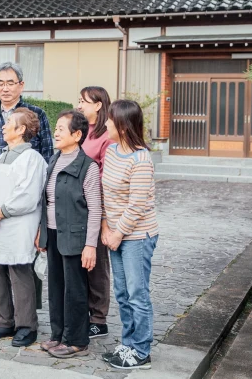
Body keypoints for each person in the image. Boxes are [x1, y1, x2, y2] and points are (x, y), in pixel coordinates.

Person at [0, 61, 54, 320]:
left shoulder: (35, 114)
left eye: (11, 82)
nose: (5, 88)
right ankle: (1, 311)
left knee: (21, 263)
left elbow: (46, 158)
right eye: (0, 82)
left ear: (21, 85)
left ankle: (25, 316)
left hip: (25, 197)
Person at [0, 108, 47, 347]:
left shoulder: (32, 159)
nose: (3, 127)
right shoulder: (1, 156)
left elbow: (28, 196)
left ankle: (26, 325)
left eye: (9, 123)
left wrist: (1, 212)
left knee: (19, 273)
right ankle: (3, 320)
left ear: (21, 130)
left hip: (16, 225)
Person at [36, 109, 102, 358]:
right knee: (55, 287)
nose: (56, 132)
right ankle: (58, 335)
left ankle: (76, 340)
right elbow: (48, 201)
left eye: (61, 129)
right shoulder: (54, 160)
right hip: (53, 234)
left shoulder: (88, 166)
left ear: (76, 135)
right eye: (56, 128)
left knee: (75, 290)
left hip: (75, 237)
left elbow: (95, 208)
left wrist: (90, 245)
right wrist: (42, 231)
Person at [100, 100, 159, 371]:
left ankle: (142, 350)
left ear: (123, 126)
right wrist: (105, 227)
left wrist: (117, 234)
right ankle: (128, 343)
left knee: (137, 293)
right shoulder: (111, 151)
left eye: (111, 120)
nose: (106, 124)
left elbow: (137, 205)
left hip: (137, 235)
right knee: (122, 293)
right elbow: (104, 193)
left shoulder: (141, 159)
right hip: (114, 233)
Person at [76, 86, 114, 339]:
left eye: (84, 101)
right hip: (74, 207)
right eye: (78, 101)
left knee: (97, 265)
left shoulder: (106, 136)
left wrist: (102, 217)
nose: (79, 105)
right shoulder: (80, 131)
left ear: (98, 105)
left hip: (96, 206)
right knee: (80, 262)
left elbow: (105, 175)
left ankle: (98, 318)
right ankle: (82, 312)